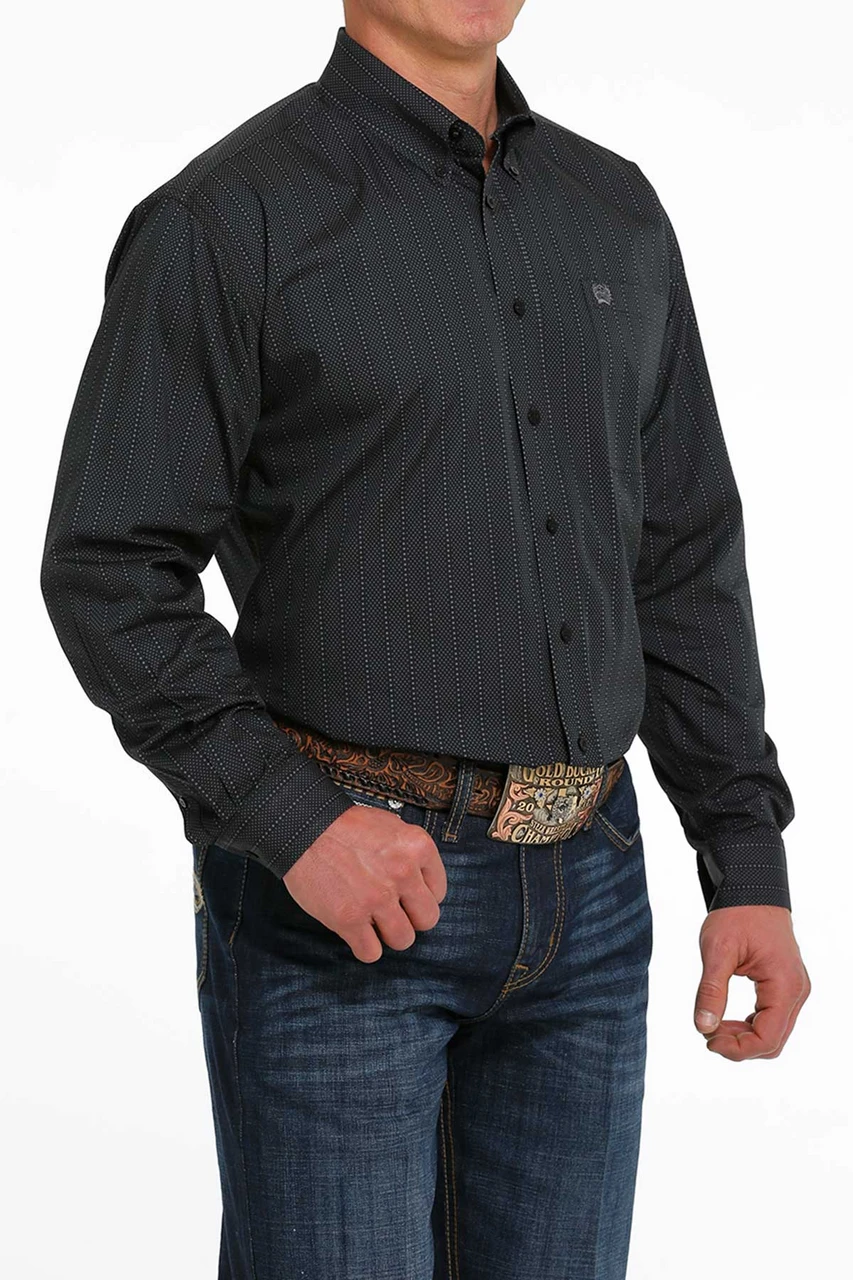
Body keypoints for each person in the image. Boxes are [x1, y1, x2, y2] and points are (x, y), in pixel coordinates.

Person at [40, 2, 810, 1276]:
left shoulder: (615, 211)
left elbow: (680, 554)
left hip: (594, 896)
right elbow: (108, 566)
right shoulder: (228, 219)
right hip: (340, 907)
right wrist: (292, 821)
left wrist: (746, 859)